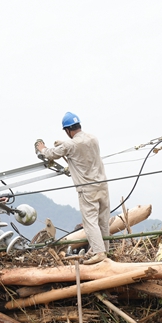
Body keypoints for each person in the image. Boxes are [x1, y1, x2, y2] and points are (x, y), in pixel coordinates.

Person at [34, 112, 110, 264]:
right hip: (102, 186)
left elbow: (51, 154)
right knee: (103, 221)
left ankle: (99, 253)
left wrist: (42, 148)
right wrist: (62, 143)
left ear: (68, 130)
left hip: (87, 190)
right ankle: (105, 250)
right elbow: (78, 146)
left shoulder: (70, 145)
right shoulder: (92, 138)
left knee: (90, 223)